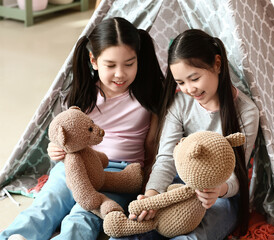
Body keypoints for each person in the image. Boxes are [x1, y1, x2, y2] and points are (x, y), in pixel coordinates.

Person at [0, 17, 164, 240]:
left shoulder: (148, 96)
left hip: (119, 173)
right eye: (110, 65)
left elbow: (152, 145)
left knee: (83, 217)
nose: (120, 74)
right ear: (94, 61)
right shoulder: (83, 93)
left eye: (129, 64)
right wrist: (55, 150)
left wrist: (148, 185)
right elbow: (65, 136)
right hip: (75, 165)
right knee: (47, 205)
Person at [111, 29, 259, 240]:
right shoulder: (179, 104)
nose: (189, 89)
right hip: (177, 184)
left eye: (194, 78)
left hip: (221, 197)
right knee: (133, 229)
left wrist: (219, 189)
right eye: (180, 82)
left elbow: (237, 174)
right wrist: (153, 195)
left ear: (217, 64)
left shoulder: (246, 111)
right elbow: (165, 159)